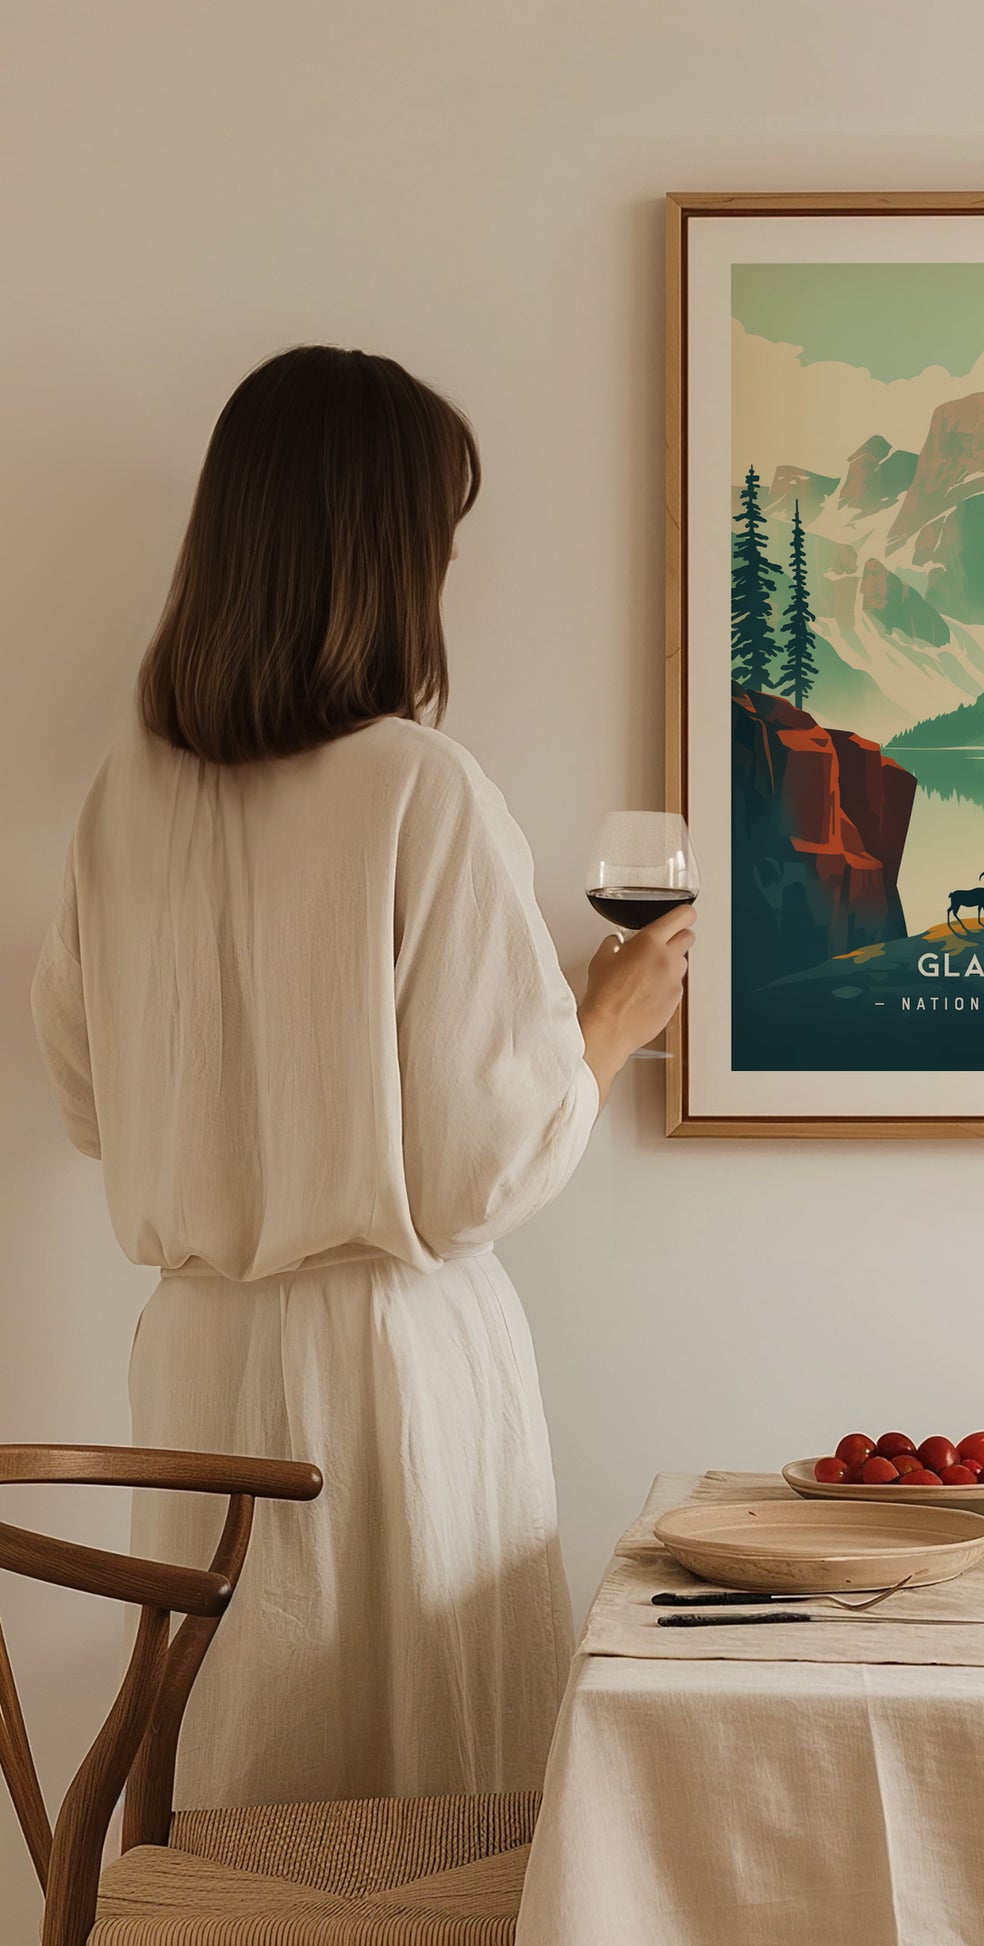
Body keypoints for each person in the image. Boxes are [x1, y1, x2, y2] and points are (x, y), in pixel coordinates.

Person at [29, 345, 690, 1806]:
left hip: (198, 1362)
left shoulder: (122, 798)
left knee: (241, 1792)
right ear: (387, 556)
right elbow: (474, 1173)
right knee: (423, 1812)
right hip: (390, 1373)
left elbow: (87, 1100)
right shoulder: (417, 785)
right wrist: (607, 1018)